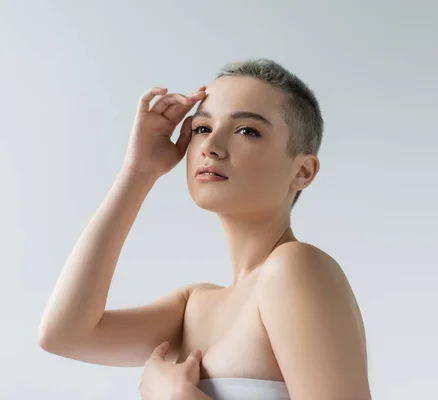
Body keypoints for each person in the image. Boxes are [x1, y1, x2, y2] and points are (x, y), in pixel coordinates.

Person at [38, 59, 371, 400]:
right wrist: (139, 170)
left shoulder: (295, 267)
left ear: (302, 171)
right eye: (201, 128)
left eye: (247, 131)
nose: (212, 146)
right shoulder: (193, 306)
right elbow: (64, 335)